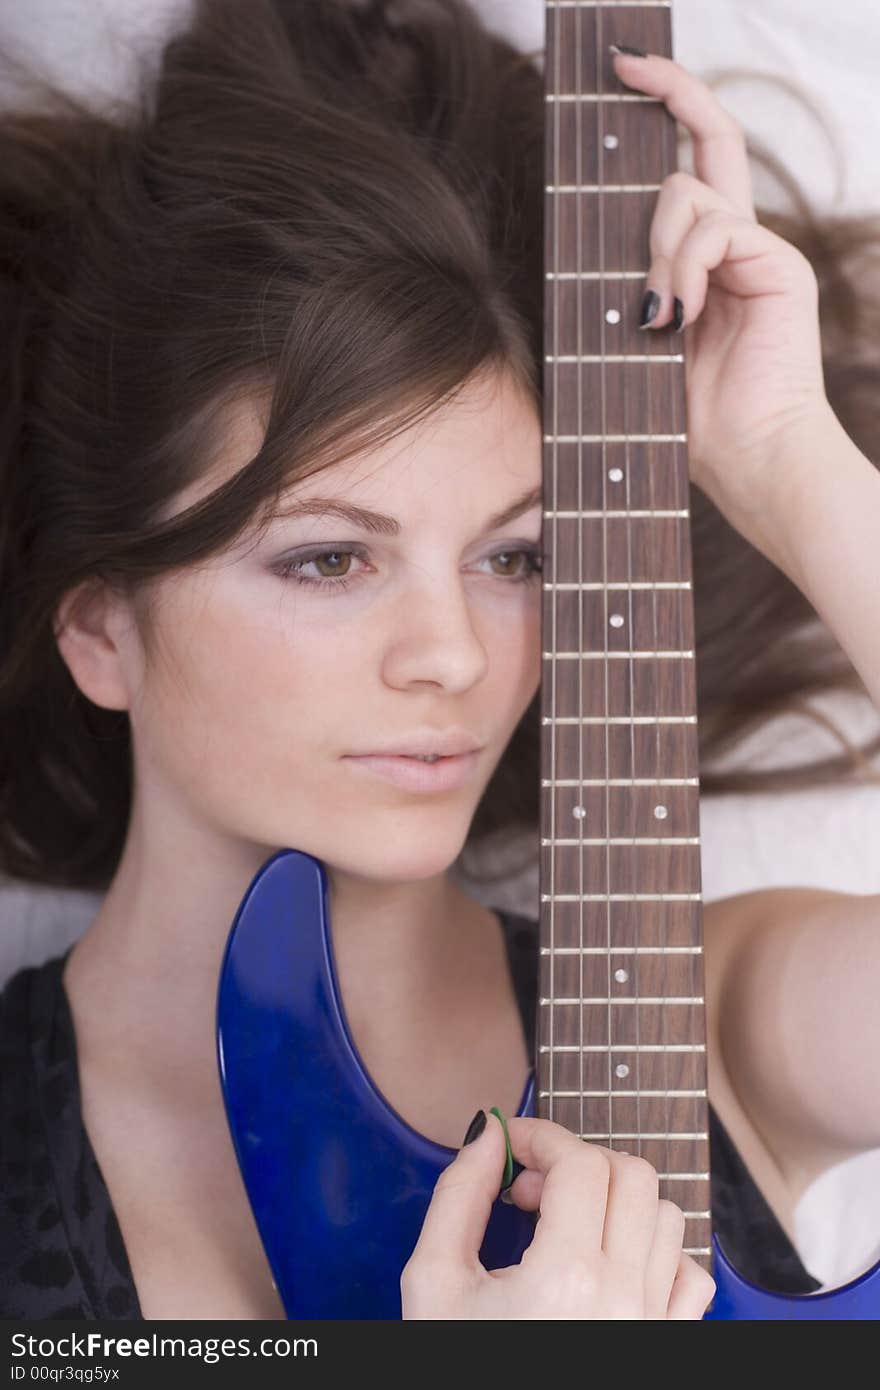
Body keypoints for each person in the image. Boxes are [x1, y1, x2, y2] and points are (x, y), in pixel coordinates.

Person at [1, 0, 878, 1320]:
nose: (453, 654)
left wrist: (788, 462)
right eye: (328, 559)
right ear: (101, 629)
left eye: (514, 558)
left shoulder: (717, 1021)